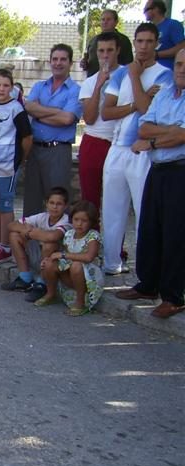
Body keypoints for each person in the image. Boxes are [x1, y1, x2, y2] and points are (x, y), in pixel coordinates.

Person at [117, 48, 185, 319]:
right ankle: (147, 285)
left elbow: (182, 136)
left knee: (175, 233)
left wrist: (157, 140)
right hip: (157, 169)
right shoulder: (166, 93)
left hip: (181, 172)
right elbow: (143, 127)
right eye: (179, 64)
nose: (180, 69)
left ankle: (173, 295)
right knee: (150, 227)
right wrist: (172, 133)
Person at [101, 23, 173, 276]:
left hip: (142, 152)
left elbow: (148, 111)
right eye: (139, 41)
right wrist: (135, 100)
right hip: (117, 147)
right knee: (111, 208)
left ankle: (146, 272)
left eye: (148, 42)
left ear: (156, 44)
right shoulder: (120, 74)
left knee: (144, 211)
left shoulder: (164, 74)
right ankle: (111, 263)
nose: (143, 47)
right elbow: (106, 111)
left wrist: (135, 78)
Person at [23, 44, 82, 218]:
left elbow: (67, 119)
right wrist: (57, 111)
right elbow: (28, 107)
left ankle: (56, 243)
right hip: (34, 149)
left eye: (63, 59)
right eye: (55, 59)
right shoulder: (39, 86)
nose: (58, 63)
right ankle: (31, 244)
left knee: (58, 202)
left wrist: (40, 113)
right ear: (50, 62)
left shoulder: (76, 90)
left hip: (58, 150)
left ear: (70, 63)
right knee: (32, 201)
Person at [0, 69, 33, 264]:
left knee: (5, 206)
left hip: (7, 165)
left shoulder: (16, 109)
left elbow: (27, 137)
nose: (1, 89)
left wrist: (21, 159)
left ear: (11, 87)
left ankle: (6, 246)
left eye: (6, 85)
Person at [78, 32, 121, 220]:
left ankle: (115, 248)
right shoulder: (89, 82)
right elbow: (89, 117)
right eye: (101, 51)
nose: (105, 55)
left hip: (119, 143)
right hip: (94, 141)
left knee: (116, 199)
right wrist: (98, 85)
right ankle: (91, 244)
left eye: (110, 50)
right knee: (90, 197)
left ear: (118, 51)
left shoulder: (128, 76)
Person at [35, 201, 104, 317]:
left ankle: (80, 302)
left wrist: (63, 255)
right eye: (76, 220)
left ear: (91, 222)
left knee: (76, 265)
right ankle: (50, 293)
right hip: (71, 273)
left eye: (84, 221)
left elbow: (88, 257)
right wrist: (51, 260)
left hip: (89, 277)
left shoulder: (93, 236)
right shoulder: (69, 234)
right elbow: (66, 255)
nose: (79, 224)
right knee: (49, 263)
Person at [2, 187, 71, 302]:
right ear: (46, 204)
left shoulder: (66, 220)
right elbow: (11, 225)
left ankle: (41, 283)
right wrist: (27, 230)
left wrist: (29, 232)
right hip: (40, 255)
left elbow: (52, 237)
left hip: (56, 262)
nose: (54, 207)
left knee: (50, 244)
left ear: (65, 206)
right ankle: (25, 278)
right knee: (14, 235)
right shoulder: (42, 216)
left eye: (59, 204)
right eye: (52, 203)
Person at [80, 10, 134, 76]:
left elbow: (128, 64)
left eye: (108, 19)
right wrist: (85, 64)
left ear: (116, 22)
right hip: (94, 80)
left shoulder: (123, 40)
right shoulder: (93, 40)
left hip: (116, 80)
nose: (105, 22)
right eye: (103, 19)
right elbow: (88, 60)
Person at [143, 0, 185, 70]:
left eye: (146, 10)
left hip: (168, 70)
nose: (144, 13)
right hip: (151, 69)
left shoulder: (172, 24)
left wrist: (157, 55)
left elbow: (182, 47)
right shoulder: (150, 28)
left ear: (156, 9)